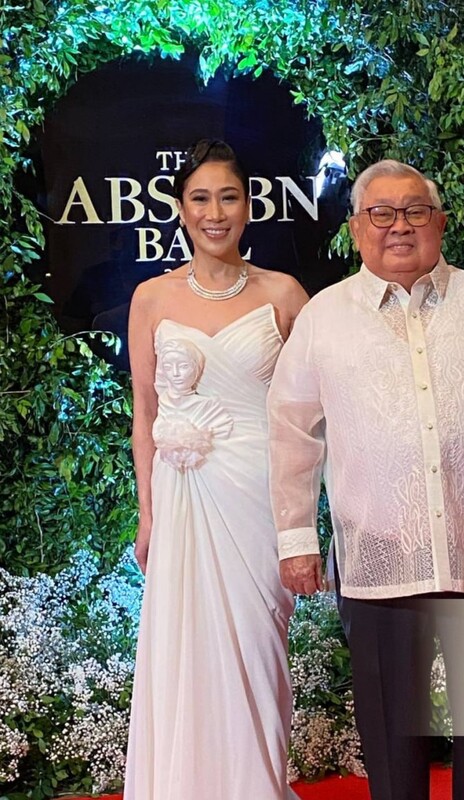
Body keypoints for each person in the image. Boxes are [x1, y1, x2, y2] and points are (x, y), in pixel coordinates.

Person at [267, 159, 464, 800]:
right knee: (391, 740)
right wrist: (295, 539)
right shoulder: (324, 317)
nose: (398, 226)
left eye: (414, 211)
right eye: (381, 213)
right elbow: (292, 430)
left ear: (441, 223)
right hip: (380, 557)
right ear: (355, 229)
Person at [124, 139, 308, 800]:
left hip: (259, 500)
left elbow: (313, 412)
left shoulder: (284, 294)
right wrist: (148, 515)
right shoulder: (151, 298)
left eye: (228, 196)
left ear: (249, 205)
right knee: (185, 660)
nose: (215, 211)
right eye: (200, 198)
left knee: (258, 656)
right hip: (182, 501)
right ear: (179, 208)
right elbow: (144, 413)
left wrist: (302, 521)